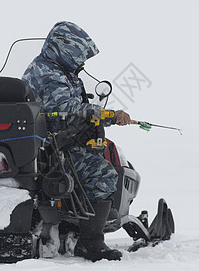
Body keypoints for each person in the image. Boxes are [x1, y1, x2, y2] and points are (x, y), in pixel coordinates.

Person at [22, 21, 130, 262]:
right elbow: (64, 108)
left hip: (54, 142)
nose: (81, 62)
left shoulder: (55, 70)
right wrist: (107, 114)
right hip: (52, 148)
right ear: (64, 49)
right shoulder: (47, 73)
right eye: (78, 55)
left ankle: (72, 224)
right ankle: (91, 243)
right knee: (102, 174)